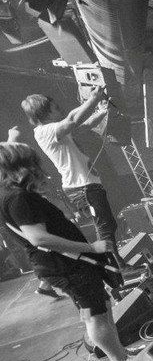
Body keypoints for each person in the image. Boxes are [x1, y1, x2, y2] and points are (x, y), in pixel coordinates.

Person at [0, 142, 129, 361]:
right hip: (66, 266)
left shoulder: (10, 196)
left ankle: (121, 354)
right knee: (95, 316)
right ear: (23, 166)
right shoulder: (18, 198)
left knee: (99, 307)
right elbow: (38, 238)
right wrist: (92, 248)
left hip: (68, 265)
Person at [21, 90, 122, 266]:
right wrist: (94, 99)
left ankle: (116, 264)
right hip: (82, 187)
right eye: (55, 108)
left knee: (108, 225)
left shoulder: (57, 128)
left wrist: (103, 111)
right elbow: (73, 119)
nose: (60, 110)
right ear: (45, 113)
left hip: (86, 186)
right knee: (104, 226)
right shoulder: (45, 131)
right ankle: (115, 267)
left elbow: (85, 123)